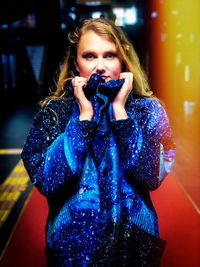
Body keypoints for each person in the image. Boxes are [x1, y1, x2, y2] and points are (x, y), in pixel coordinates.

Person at [21, 18, 176, 266]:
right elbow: (47, 180)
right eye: (90, 56)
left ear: (123, 59)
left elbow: (152, 176)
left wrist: (120, 113)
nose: (100, 66)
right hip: (73, 251)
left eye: (110, 55)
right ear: (75, 62)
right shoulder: (55, 112)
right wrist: (83, 119)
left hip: (133, 251)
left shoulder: (147, 110)